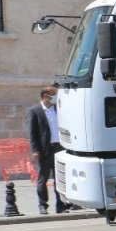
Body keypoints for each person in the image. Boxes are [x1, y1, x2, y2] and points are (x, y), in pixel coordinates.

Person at [26, 85, 68, 214]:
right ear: (45, 96)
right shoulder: (34, 111)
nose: (56, 96)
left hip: (59, 148)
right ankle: (43, 205)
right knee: (42, 179)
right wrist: (35, 150)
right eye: (53, 94)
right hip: (45, 149)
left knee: (60, 178)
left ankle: (61, 205)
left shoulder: (57, 109)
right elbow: (32, 133)